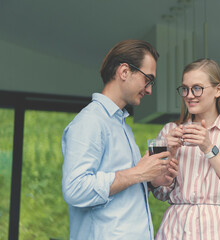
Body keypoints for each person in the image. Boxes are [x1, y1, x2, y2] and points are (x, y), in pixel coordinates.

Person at [61, 39, 178, 240]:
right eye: (147, 79)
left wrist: (150, 181)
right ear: (124, 72)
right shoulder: (90, 121)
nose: (149, 89)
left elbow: (123, 189)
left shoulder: (122, 126)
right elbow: (75, 188)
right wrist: (138, 172)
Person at [152, 58, 220, 240]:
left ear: (218, 90)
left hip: (218, 228)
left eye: (197, 88)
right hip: (175, 228)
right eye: (185, 88)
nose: (189, 95)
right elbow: (157, 191)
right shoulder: (169, 131)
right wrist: (170, 153)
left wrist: (209, 148)